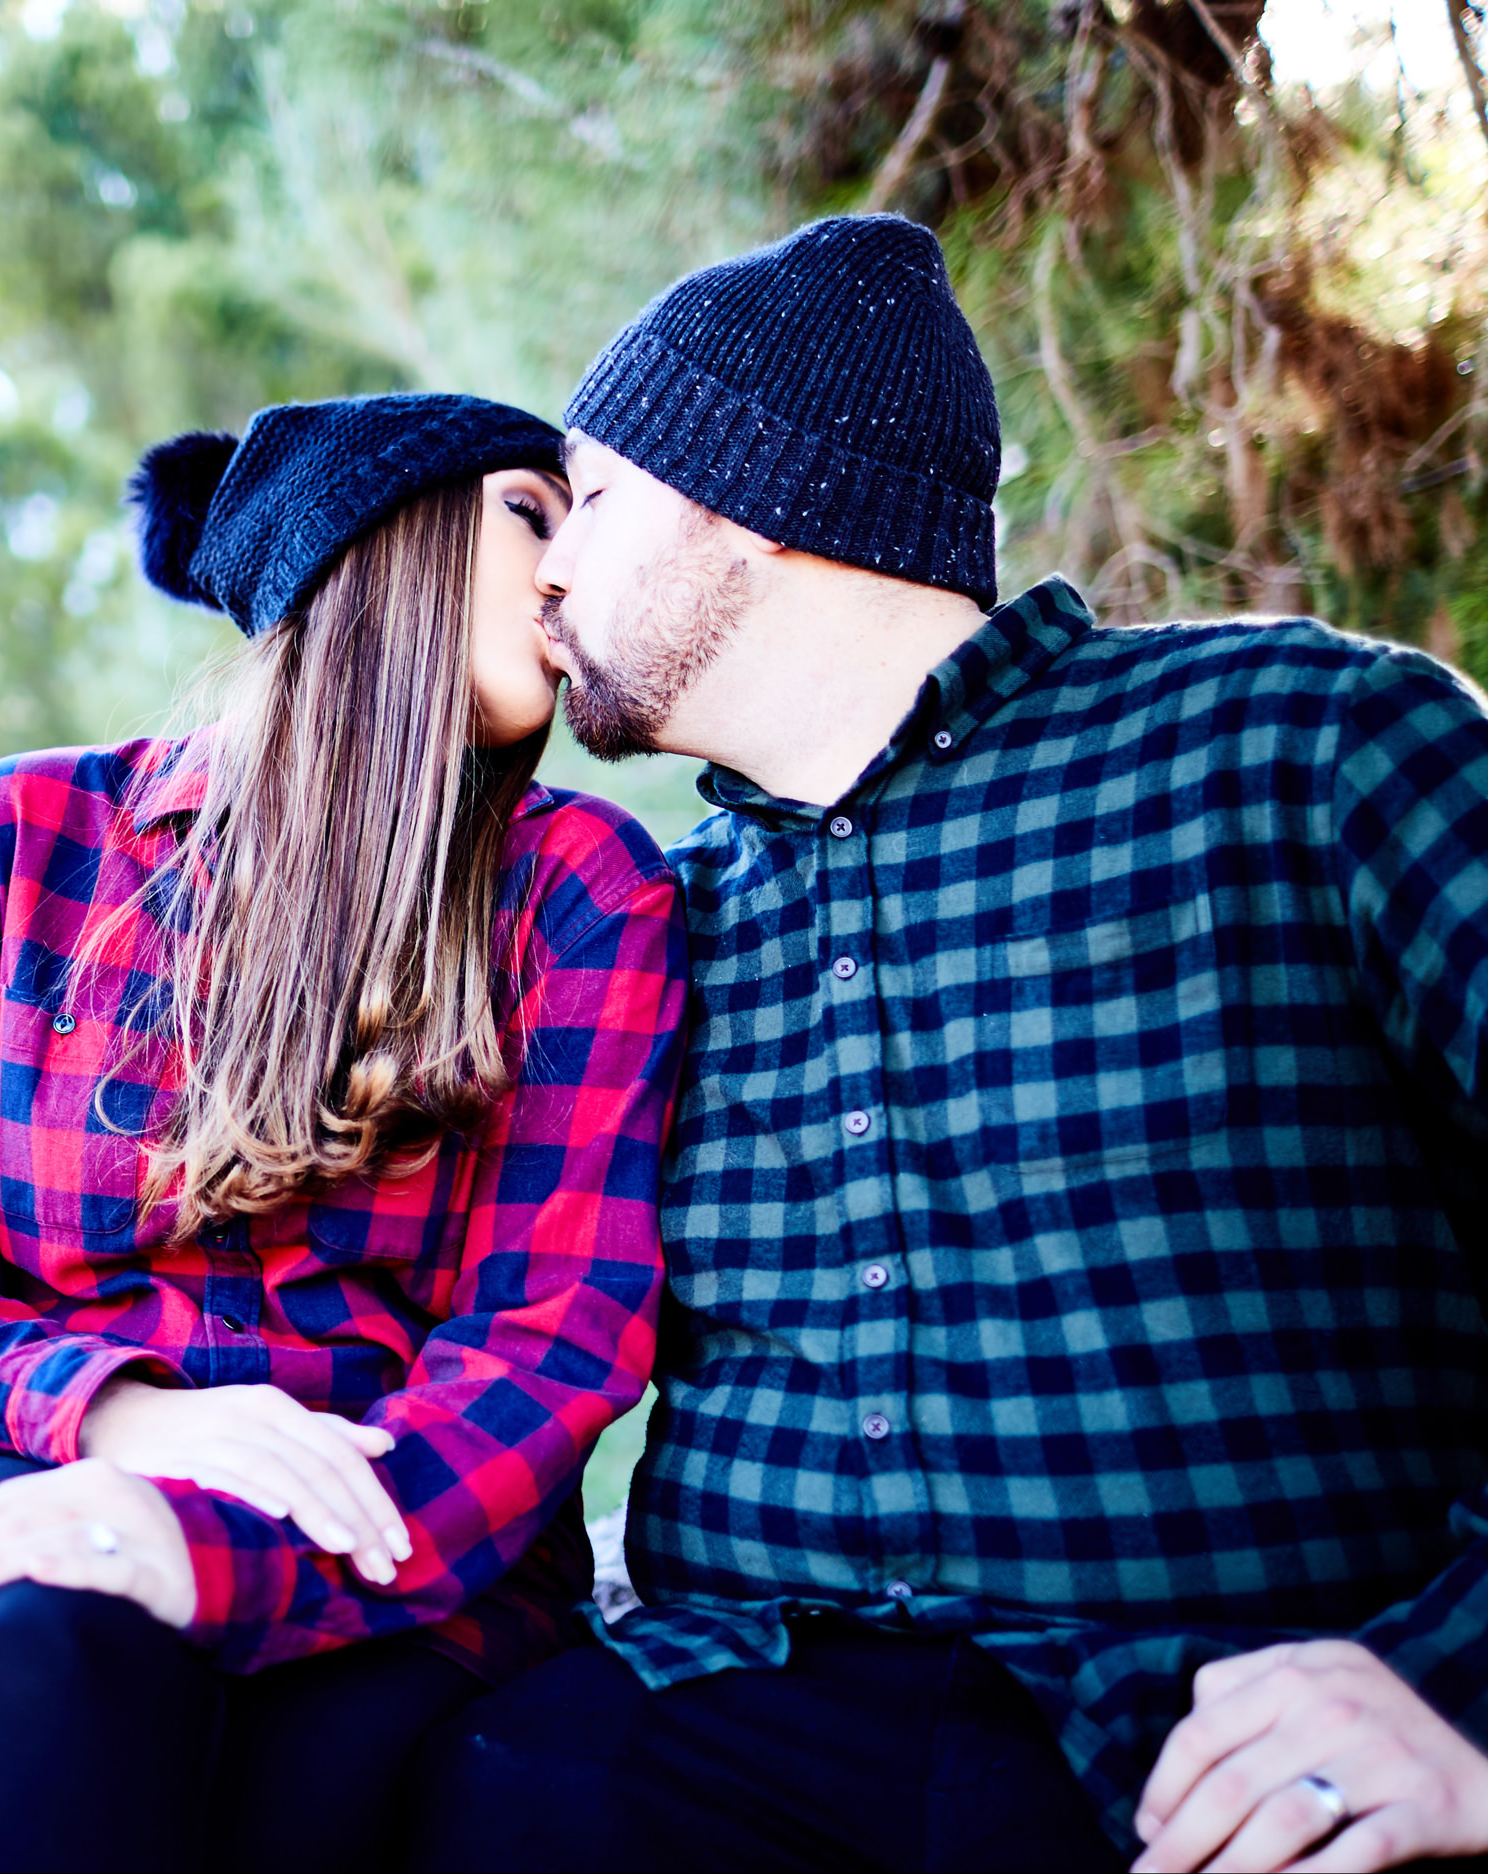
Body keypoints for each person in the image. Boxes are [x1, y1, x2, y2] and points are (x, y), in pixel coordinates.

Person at [412, 214, 1488, 1874]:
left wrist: (1462, 1693)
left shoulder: (1308, 746)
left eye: (593, 501)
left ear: (750, 503)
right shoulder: (633, 929)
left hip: (1242, 1760)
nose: (544, 575)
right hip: (722, 1747)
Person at [0, 392, 688, 1873]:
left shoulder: (583, 893)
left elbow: (557, 1336)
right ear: (375, 535)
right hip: (31, 1469)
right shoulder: (18, 842)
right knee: (39, 1656)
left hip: (403, 1543)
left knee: (322, 1807)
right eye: (537, 509)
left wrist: (233, 1543)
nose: (568, 571)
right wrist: (125, 1420)